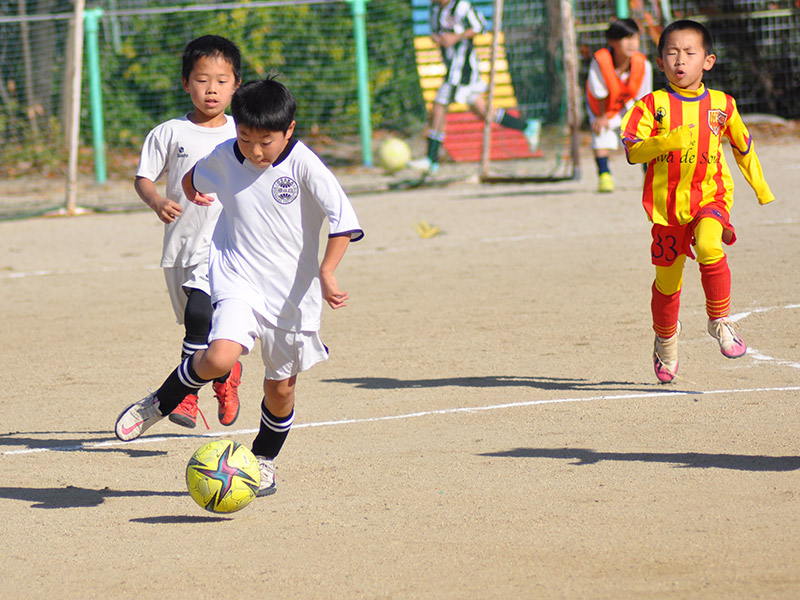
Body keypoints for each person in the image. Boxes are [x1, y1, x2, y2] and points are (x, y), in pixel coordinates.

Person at [116, 75, 364, 497]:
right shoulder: (226, 155)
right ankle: (162, 400)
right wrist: (194, 194)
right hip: (237, 276)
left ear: (288, 130)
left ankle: (263, 460)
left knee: (280, 389)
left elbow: (343, 223)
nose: (254, 150)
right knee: (218, 356)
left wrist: (327, 271)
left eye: (265, 141)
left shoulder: (304, 163)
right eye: (246, 138)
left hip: (292, 295)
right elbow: (195, 178)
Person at [620, 19, 775, 383]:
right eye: (672, 53)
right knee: (668, 283)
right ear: (660, 63)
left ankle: (720, 320)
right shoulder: (652, 105)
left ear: (708, 61)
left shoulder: (722, 104)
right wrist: (664, 142)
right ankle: (666, 340)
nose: (680, 60)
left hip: (711, 197)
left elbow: (742, 147)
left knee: (709, 244)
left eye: (690, 53)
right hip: (667, 208)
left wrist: (761, 187)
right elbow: (631, 151)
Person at [135, 35, 243, 429]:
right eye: (201, 79)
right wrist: (157, 202)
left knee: (201, 313)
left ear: (235, 85)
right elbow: (144, 178)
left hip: (225, 245)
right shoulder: (168, 132)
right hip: (180, 245)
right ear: (185, 83)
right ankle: (226, 373)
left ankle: (185, 395)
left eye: (221, 80)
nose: (211, 89)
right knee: (201, 326)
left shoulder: (241, 132)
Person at [408, 0, 540, 175]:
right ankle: (527, 127)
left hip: (462, 70)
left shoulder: (461, 6)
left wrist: (455, 37)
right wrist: (439, 39)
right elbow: (437, 32)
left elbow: (480, 25)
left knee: (439, 106)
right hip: (452, 67)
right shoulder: (434, 10)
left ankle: (431, 160)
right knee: (483, 112)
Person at [585, 18, 653, 193]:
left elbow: (643, 97)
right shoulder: (600, 62)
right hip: (603, 107)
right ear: (612, 41)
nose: (632, 43)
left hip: (628, 103)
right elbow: (598, 91)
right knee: (601, 132)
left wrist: (641, 120)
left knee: (643, 132)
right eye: (626, 38)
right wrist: (601, 117)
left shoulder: (643, 64)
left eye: (635, 38)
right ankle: (604, 175)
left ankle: (649, 175)